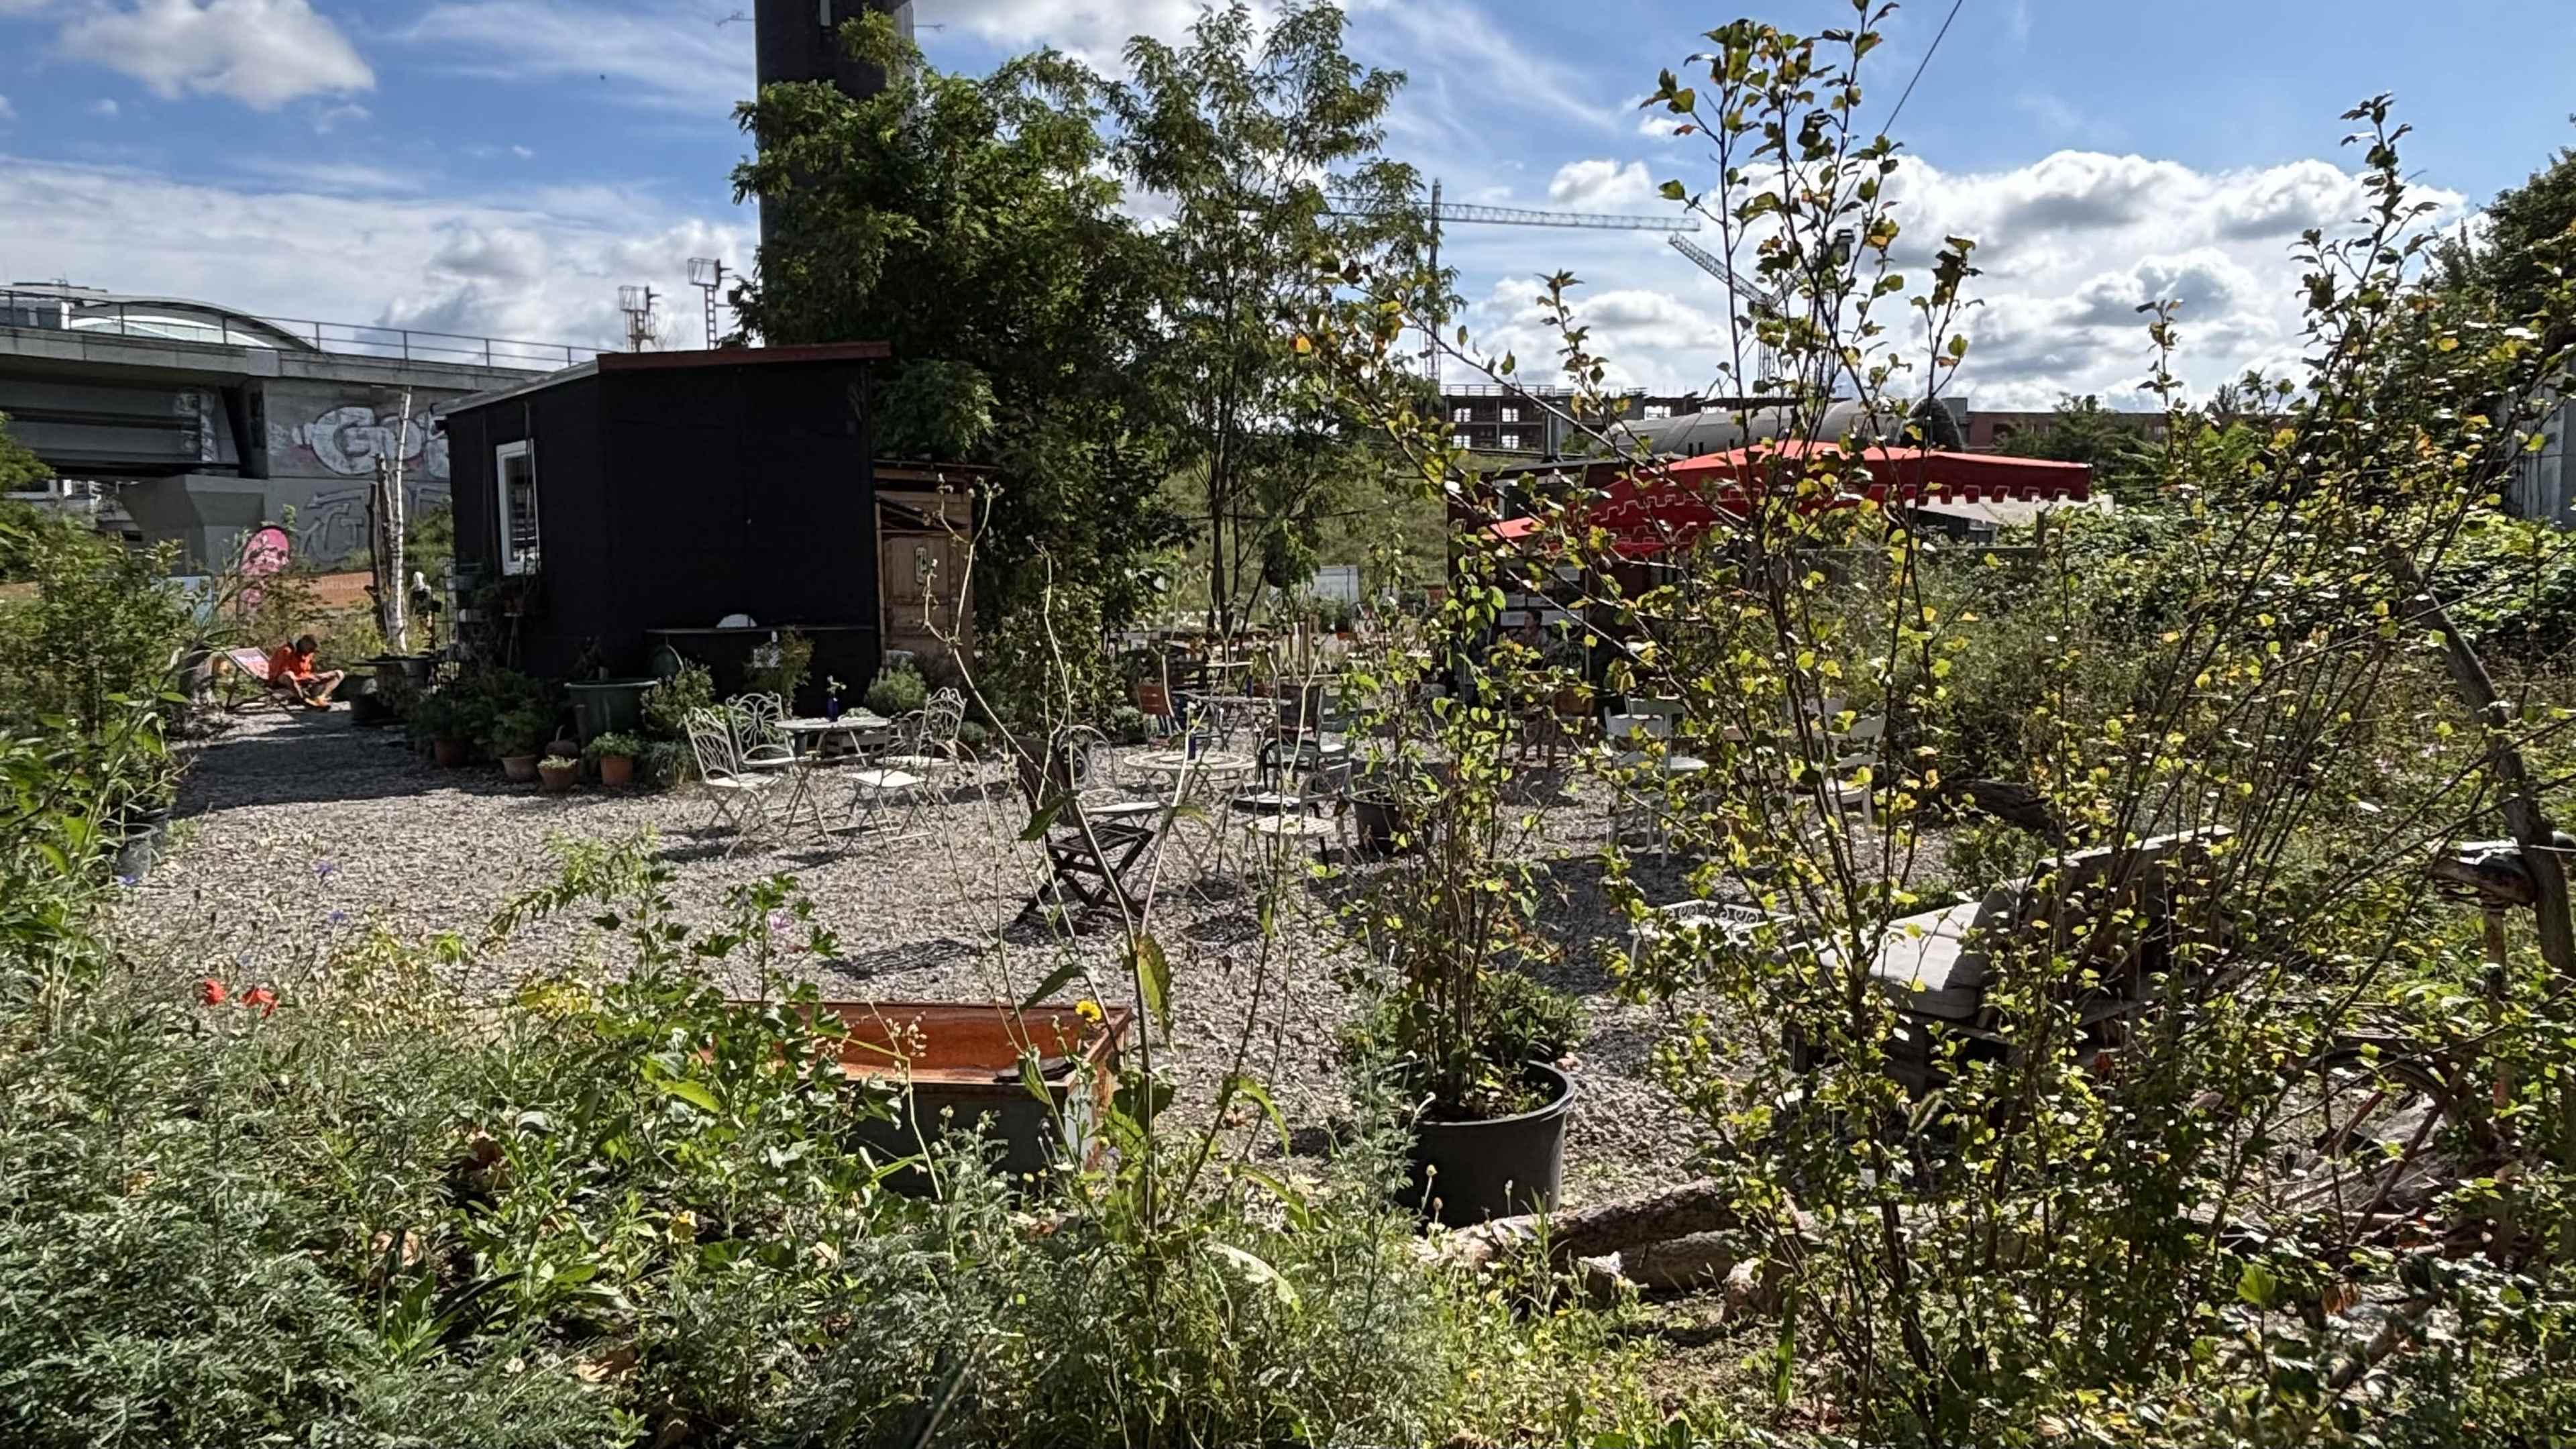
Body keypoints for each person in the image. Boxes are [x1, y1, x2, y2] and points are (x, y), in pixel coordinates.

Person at [266, 634, 341, 710]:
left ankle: (320, 698)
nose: (312, 651)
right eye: (311, 649)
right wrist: (304, 678)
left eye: (313, 650)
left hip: (305, 680)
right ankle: (305, 701)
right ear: (304, 643)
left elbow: (308, 671)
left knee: (339, 673)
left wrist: (314, 677)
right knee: (288, 675)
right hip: (284, 682)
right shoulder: (286, 651)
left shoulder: (309, 653)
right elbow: (280, 673)